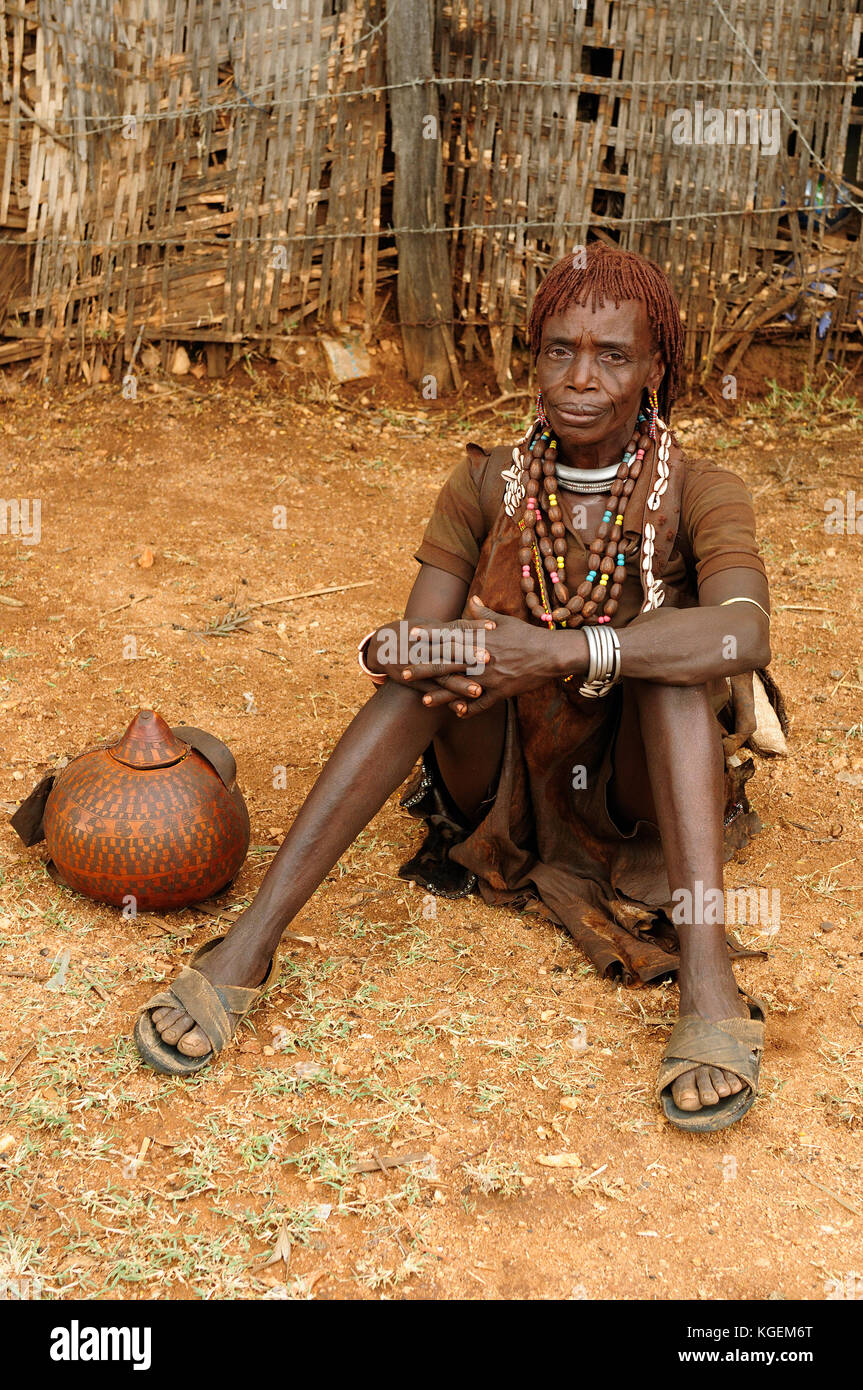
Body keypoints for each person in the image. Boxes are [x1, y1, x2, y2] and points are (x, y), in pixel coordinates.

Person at [134, 245, 773, 1133]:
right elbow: (417, 637)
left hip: (640, 783)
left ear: (655, 366)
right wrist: (412, 647)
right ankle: (248, 945)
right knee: (431, 673)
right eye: (559, 350)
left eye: (612, 355)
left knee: (676, 667)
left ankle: (707, 985)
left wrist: (560, 653)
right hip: (499, 779)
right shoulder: (484, 481)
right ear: (535, 356)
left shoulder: (703, 490)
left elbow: (745, 633)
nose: (579, 378)